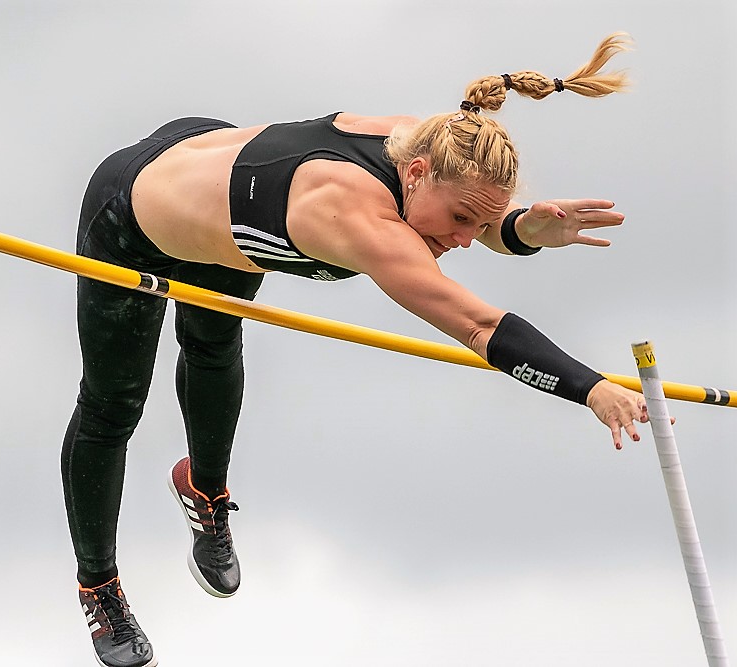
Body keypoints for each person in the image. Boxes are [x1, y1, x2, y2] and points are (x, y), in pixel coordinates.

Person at [64, 33, 644, 667]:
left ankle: (203, 493)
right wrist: (589, 386)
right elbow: (478, 326)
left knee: (212, 344)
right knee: (113, 406)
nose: (469, 240)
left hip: (217, 191)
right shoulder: (354, 214)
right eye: (462, 221)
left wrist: (521, 228)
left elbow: (467, 213)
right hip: (134, 215)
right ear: (417, 175)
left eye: (481, 223)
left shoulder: (427, 142)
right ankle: (101, 589)